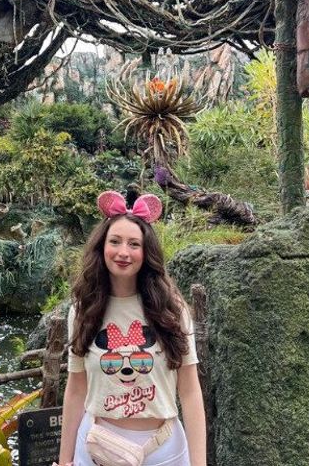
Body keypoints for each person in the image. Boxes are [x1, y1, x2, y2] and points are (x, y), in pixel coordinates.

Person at [54, 190, 206, 466]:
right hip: (96, 448)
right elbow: (76, 387)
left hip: (163, 450)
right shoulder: (83, 310)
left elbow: (190, 390)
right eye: (115, 241)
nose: (124, 252)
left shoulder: (171, 309)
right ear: (102, 247)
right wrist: (64, 460)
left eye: (134, 244)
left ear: (146, 252)